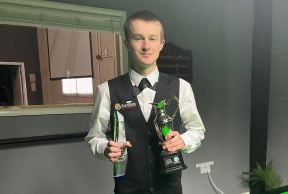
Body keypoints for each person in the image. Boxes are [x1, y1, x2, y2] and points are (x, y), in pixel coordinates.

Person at [85, 10, 205, 194]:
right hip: (128, 188)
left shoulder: (182, 87)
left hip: (170, 188)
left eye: (152, 38)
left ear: (161, 44)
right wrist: (105, 148)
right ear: (127, 43)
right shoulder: (106, 90)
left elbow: (197, 131)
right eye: (138, 38)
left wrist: (183, 140)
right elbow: (94, 137)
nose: (146, 46)